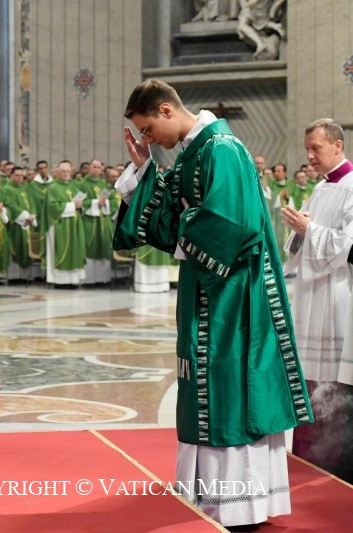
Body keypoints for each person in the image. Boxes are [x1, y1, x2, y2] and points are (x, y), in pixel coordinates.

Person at [113, 79, 312, 527]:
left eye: (148, 129)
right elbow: (169, 219)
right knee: (207, 381)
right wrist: (145, 171)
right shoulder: (194, 152)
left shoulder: (221, 149)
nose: (148, 139)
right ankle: (211, 496)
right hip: (209, 287)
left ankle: (240, 502)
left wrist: (188, 216)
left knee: (230, 384)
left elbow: (232, 226)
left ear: (166, 110)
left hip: (234, 294)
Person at [283, 118, 353, 483]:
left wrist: (308, 229)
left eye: (316, 148)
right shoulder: (322, 187)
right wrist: (299, 233)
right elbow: (301, 245)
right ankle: (309, 458)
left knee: (334, 381)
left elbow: (347, 246)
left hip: (338, 295)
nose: (309, 156)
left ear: (337, 146)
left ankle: (334, 462)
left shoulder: (352, 186)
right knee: (309, 377)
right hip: (311, 294)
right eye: (307, 149)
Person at [42, 160, 86, 288]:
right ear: (57, 172)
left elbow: (80, 202)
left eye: (68, 171)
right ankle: (60, 281)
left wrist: (80, 205)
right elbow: (52, 207)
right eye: (63, 171)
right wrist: (73, 205)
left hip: (74, 224)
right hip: (59, 224)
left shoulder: (73, 186)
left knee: (75, 251)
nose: (66, 174)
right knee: (61, 251)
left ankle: (73, 280)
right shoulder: (53, 187)